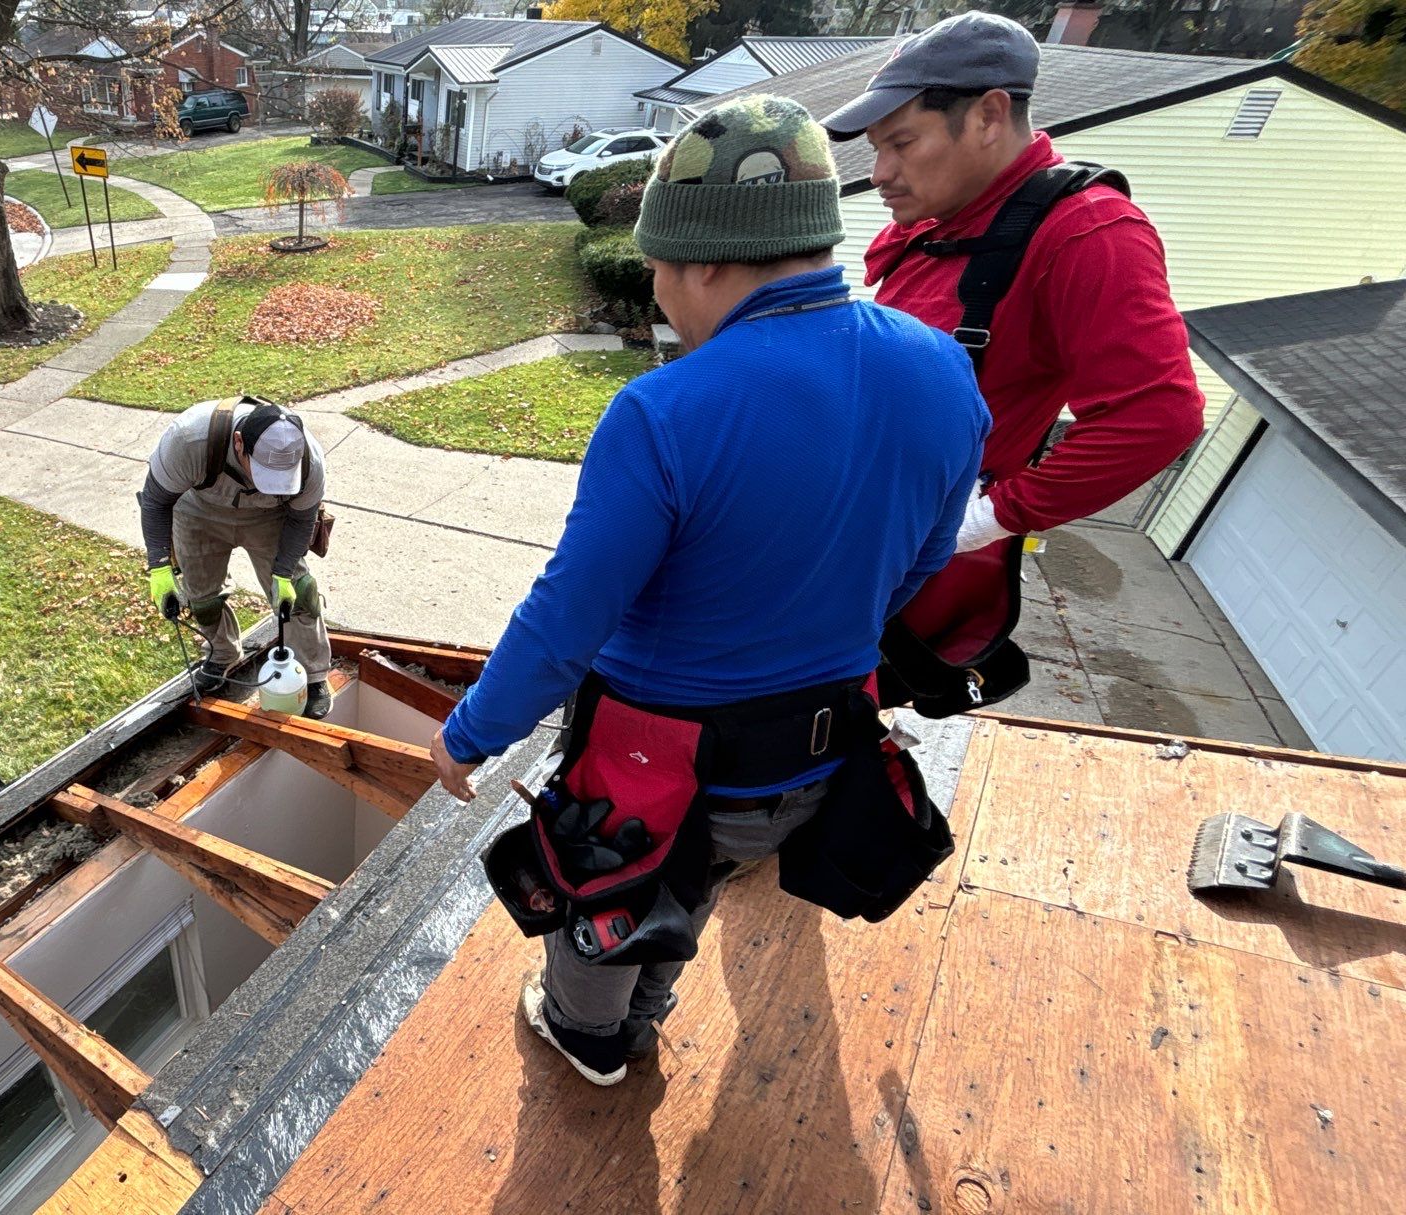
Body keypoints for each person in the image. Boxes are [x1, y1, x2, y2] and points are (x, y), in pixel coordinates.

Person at [427, 96, 989, 1086]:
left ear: (706, 262)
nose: (654, 293)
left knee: (608, 908)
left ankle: (592, 1037)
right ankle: (654, 997)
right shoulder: (941, 368)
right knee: (713, 873)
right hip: (817, 756)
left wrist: (469, 733)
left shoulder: (664, 415)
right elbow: (921, 562)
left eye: (656, 269)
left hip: (658, 764)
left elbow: (568, 618)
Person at [824, 12, 1204, 563]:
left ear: (989, 115)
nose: (879, 172)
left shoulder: (1089, 234)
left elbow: (1158, 418)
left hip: (904, 552)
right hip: (855, 509)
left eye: (901, 143)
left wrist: (983, 521)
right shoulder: (943, 217)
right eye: (877, 149)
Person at [139, 396, 333, 719]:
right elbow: (156, 501)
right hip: (199, 510)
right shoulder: (189, 439)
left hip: (268, 518)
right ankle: (221, 653)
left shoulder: (310, 461)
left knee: (301, 593)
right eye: (263, 474)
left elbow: (301, 520)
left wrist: (283, 575)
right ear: (239, 443)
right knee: (201, 596)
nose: (269, 485)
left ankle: (312, 676)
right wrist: (159, 568)